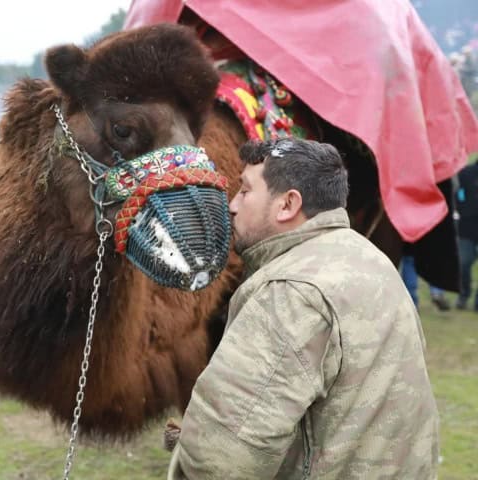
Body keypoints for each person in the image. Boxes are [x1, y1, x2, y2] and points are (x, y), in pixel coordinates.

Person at [167, 139, 439, 479]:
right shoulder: (371, 259)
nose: (233, 205)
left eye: (246, 191)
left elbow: (221, 462)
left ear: (287, 205)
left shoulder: (289, 291)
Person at [455, 161, 478, 310]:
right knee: (464, 262)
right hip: (467, 226)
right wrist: (462, 207)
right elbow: (459, 192)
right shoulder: (466, 173)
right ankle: (464, 294)